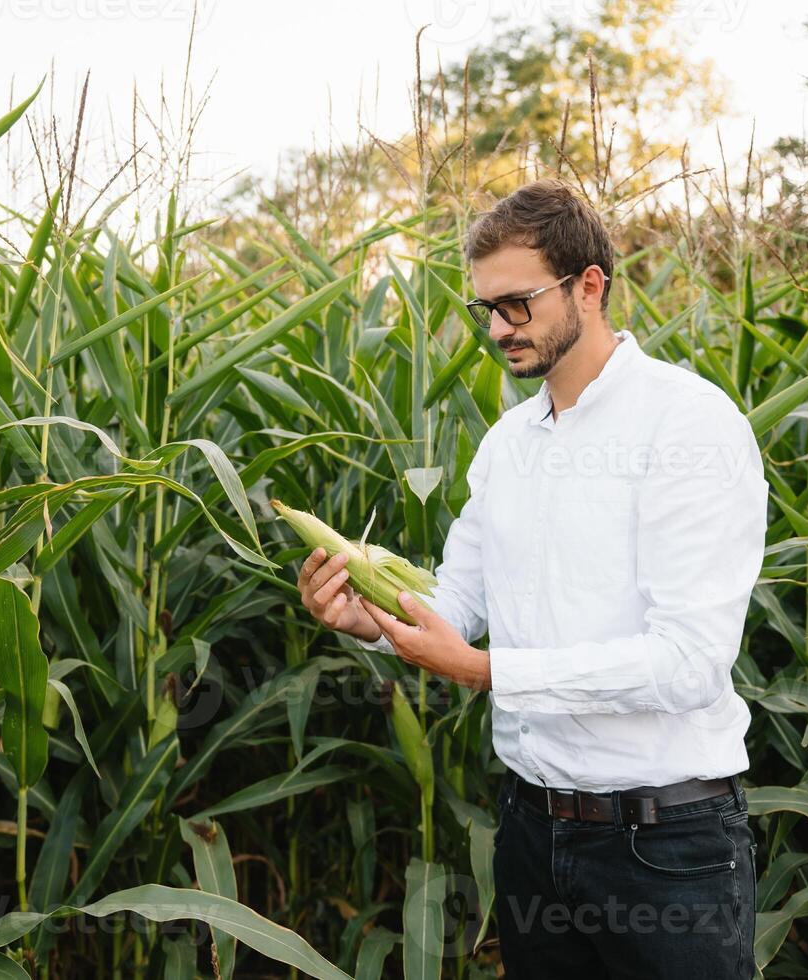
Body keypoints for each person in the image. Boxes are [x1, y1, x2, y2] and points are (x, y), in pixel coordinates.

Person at [296, 178, 767, 978]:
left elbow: (688, 662)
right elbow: (459, 603)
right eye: (485, 308)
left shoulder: (687, 425)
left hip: (664, 847)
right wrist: (369, 617)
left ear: (590, 285)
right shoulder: (508, 445)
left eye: (518, 304)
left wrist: (485, 674)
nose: (497, 328)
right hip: (530, 834)